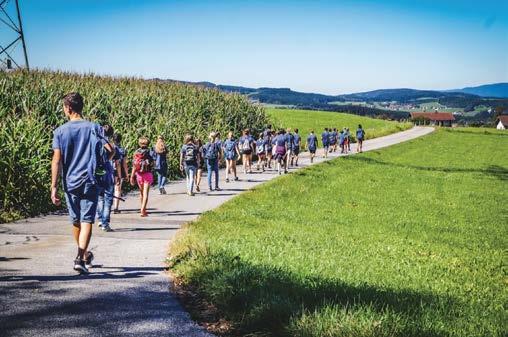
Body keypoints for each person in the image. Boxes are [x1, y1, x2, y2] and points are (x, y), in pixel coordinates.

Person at [51, 92, 114, 273]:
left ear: (69, 108)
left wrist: (53, 187)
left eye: (64, 107)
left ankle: (82, 255)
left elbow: (56, 160)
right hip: (90, 180)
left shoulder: (60, 132)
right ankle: (82, 257)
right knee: (87, 220)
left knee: (76, 221)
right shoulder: (94, 128)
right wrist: (102, 165)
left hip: (70, 182)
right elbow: (110, 151)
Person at [96, 124, 115, 232]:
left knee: (100, 197)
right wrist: (107, 159)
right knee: (108, 199)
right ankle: (105, 222)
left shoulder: (96, 140)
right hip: (106, 172)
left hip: (97, 171)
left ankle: (100, 218)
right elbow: (112, 150)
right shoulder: (105, 141)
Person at [130, 137, 154, 217]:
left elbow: (134, 165)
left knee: (141, 193)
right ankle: (143, 210)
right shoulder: (150, 152)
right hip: (147, 174)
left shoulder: (136, 152)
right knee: (146, 193)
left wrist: (132, 176)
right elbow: (152, 163)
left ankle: (143, 208)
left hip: (139, 175)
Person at [112, 133, 128, 214]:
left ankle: (105, 208)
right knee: (117, 189)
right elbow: (124, 164)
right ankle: (116, 208)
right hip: (119, 172)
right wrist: (126, 174)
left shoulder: (108, 147)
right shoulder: (122, 150)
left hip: (108, 171)